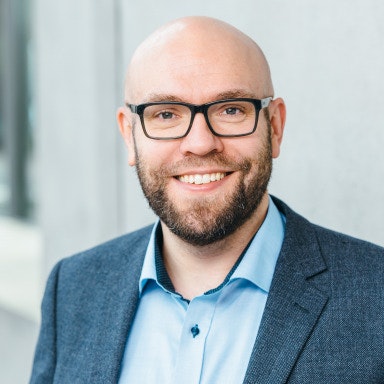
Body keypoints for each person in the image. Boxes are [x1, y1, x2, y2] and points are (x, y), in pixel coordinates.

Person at [30, 16, 384, 384]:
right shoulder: (72, 289)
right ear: (129, 135)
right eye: (166, 114)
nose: (200, 143)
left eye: (231, 109)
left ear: (275, 127)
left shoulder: (377, 296)